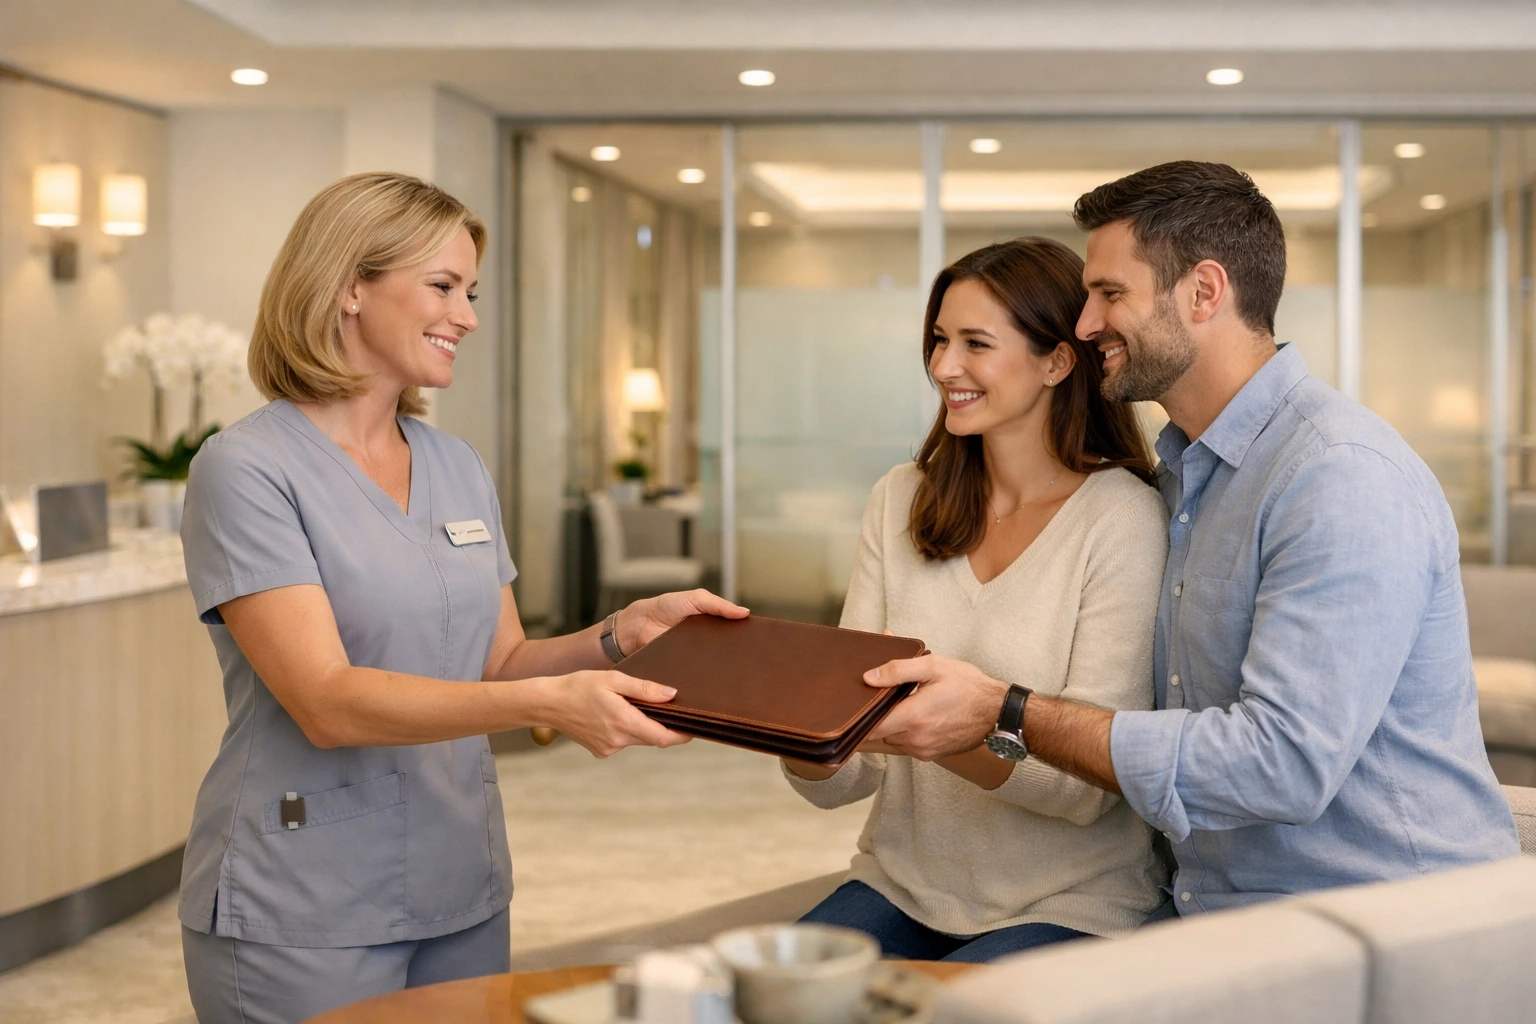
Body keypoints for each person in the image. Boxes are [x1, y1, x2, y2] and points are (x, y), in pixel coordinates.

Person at [861, 161, 1519, 915]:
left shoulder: (1337, 476)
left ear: (1204, 292)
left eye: (1110, 294)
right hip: (1212, 908)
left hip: (1384, 920)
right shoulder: (1183, 479)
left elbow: (1282, 765)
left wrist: (1007, 711)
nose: (1083, 325)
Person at [176, 172, 745, 1023]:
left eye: (469, 291)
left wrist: (623, 634)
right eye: (442, 286)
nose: (468, 316)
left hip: (461, 879)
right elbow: (326, 702)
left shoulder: (454, 465)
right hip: (306, 894)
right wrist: (550, 701)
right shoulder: (248, 470)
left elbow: (500, 661)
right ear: (347, 287)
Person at [782, 237, 1170, 962]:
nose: (943, 367)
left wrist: (946, 730)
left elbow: (1087, 789)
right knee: (755, 1005)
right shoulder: (900, 498)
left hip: (1072, 903)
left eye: (975, 344)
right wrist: (798, 730)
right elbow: (844, 780)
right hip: (901, 885)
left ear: (1057, 361)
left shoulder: (1123, 518)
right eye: (938, 340)